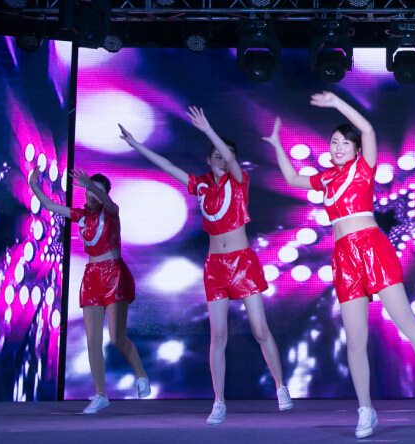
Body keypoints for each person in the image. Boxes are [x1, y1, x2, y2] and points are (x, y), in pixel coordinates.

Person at [264, 92, 415, 439]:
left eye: (344, 142)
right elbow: (292, 179)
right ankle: (366, 410)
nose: (338, 147)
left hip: (372, 247)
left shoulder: (363, 168)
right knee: (355, 338)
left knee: (404, 319)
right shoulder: (326, 178)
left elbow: (367, 129)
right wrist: (277, 144)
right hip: (343, 256)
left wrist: (337, 103)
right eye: (334, 142)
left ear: (355, 149)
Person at [118, 106, 291, 426]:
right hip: (215, 267)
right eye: (218, 157)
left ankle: (281, 387)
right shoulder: (199, 185)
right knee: (218, 335)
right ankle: (219, 402)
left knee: (260, 329)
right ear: (209, 159)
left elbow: (232, 161)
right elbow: (168, 166)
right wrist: (136, 145)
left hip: (242, 263)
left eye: (228, 157)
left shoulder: (239, 181)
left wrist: (209, 129)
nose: (223, 161)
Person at [29, 168, 150, 413]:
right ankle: (100, 394)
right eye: (87, 191)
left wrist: (93, 186)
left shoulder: (111, 212)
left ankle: (141, 375)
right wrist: (34, 186)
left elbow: (108, 201)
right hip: (91, 277)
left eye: (96, 192)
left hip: (114, 274)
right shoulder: (80, 215)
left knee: (116, 338)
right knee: (93, 340)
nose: (91, 196)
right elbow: (50, 206)